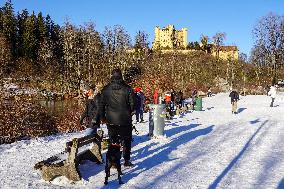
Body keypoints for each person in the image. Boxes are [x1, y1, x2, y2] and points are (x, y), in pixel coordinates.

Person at [99, 68, 136, 167]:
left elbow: (101, 105)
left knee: (113, 141)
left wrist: (103, 117)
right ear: (121, 76)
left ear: (112, 76)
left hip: (111, 120)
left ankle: (113, 161)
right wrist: (130, 112)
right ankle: (126, 160)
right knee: (127, 140)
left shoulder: (105, 89)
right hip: (125, 120)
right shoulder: (128, 89)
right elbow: (133, 104)